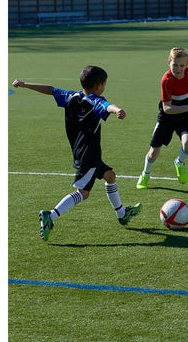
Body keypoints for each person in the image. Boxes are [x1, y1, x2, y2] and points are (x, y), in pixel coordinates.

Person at [12, 65, 142, 241]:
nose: (104, 87)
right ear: (98, 86)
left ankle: (121, 214)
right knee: (83, 192)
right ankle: (51, 215)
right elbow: (107, 105)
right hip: (88, 156)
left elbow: (50, 89)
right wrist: (117, 110)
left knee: (110, 176)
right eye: (104, 83)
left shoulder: (71, 96)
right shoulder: (96, 101)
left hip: (84, 152)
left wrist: (25, 84)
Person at [136, 47, 188, 189]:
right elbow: (167, 108)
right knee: (154, 151)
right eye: (175, 65)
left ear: (187, 66)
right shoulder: (166, 80)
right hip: (167, 118)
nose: (178, 69)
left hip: (184, 117)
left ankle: (179, 162)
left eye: (182, 65)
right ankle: (145, 174)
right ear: (169, 63)